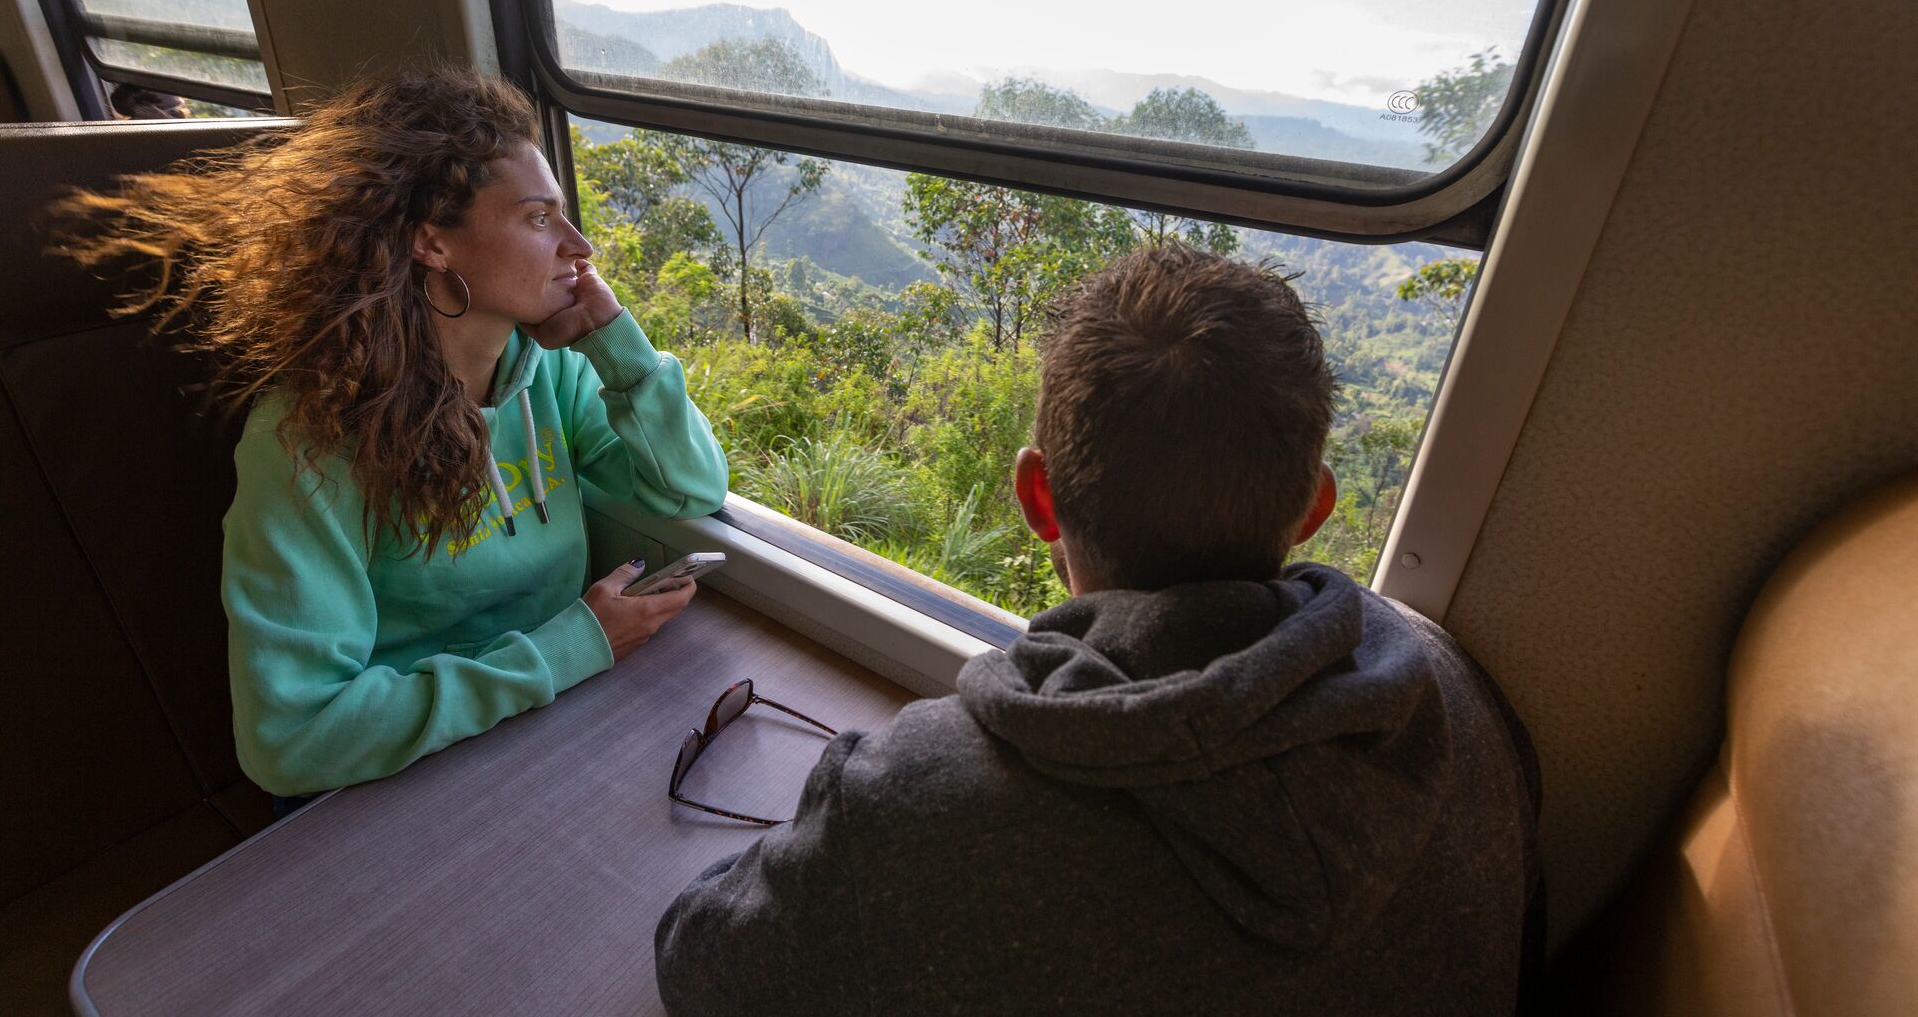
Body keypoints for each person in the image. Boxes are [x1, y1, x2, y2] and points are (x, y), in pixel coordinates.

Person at [653, 242, 1541, 1015]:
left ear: (1038, 495)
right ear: (1313, 509)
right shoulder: (1450, 690)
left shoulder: (916, 808)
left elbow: (702, 968)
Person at [56, 67, 728, 812]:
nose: (579, 245)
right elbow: (290, 738)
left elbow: (688, 487)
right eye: (540, 219)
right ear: (433, 243)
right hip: (387, 778)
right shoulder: (307, 441)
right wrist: (567, 650)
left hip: (538, 725)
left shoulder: (549, 379)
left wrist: (615, 342)